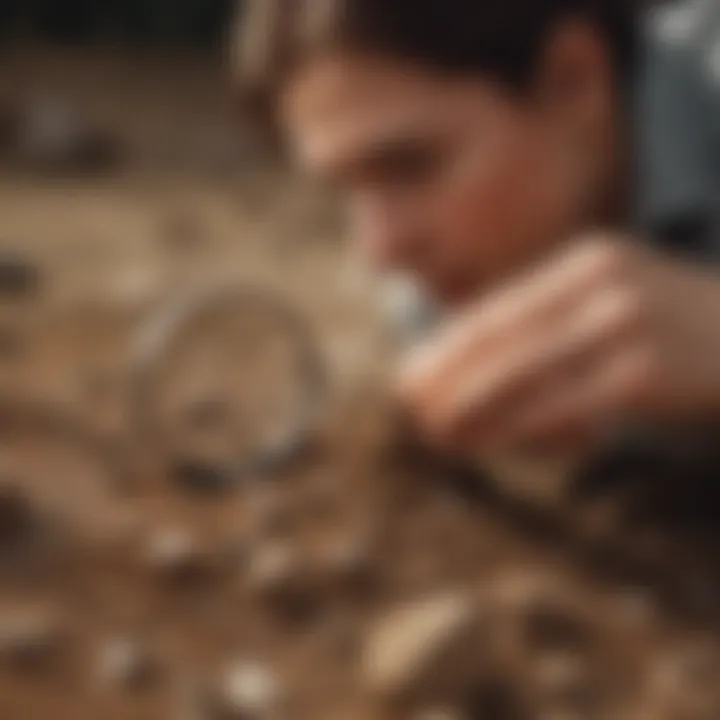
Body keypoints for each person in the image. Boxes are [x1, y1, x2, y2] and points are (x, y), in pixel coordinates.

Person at [234, 0, 720, 460]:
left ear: (574, 80)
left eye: (410, 167)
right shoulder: (449, 280)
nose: (381, 249)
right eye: (344, 191)